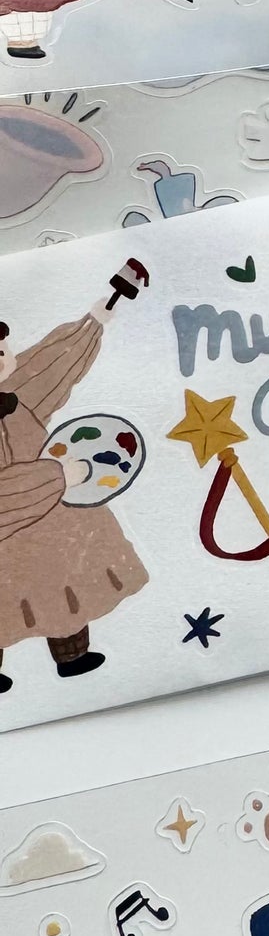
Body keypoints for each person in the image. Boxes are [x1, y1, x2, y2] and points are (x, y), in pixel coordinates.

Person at [0, 258, 149, 693]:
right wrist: (56, 475)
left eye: (3, 350)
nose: (5, 358)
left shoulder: (16, 391)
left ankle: (73, 656)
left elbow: (53, 364)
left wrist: (98, 316)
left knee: (65, 583)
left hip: (53, 525)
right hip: (12, 531)